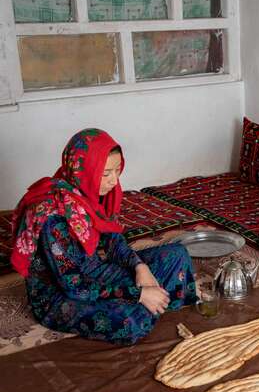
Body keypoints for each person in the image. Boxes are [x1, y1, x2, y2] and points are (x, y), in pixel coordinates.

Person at [11, 128, 197, 345]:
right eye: (106, 173)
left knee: (177, 254)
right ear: (85, 171)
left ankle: (153, 302)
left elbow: (113, 241)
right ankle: (152, 303)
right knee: (130, 321)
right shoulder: (53, 217)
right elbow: (75, 287)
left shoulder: (91, 192)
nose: (113, 180)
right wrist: (138, 294)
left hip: (96, 270)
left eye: (118, 170)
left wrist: (140, 268)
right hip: (62, 296)